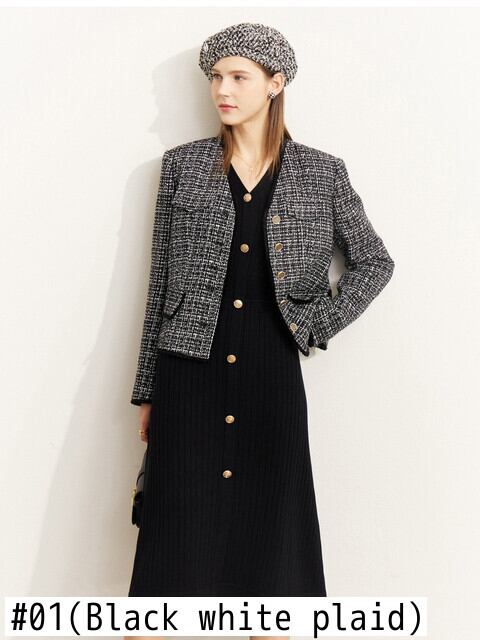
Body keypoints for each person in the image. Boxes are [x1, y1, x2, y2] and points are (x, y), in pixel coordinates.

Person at [125, 21, 395, 640]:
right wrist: (148, 390)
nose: (222, 90)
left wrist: (315, 322)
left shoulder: (321, 172)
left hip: (272, 372)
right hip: (187, 373)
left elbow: (374, 262)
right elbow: (160, 283)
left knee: (272, 527)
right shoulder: (183, 166)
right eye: (215, 77)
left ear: (275, 84)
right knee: (177, 530)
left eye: (239, 77)